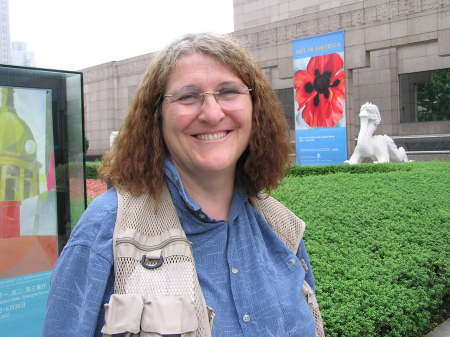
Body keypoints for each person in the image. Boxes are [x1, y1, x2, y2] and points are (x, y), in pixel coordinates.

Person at [43, 33, 322, 337]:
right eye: (188, 96)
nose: (213, 113)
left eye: (229, 92)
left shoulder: (281, 228)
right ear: (156, 117)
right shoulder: (107, 230)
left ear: (255, 109)